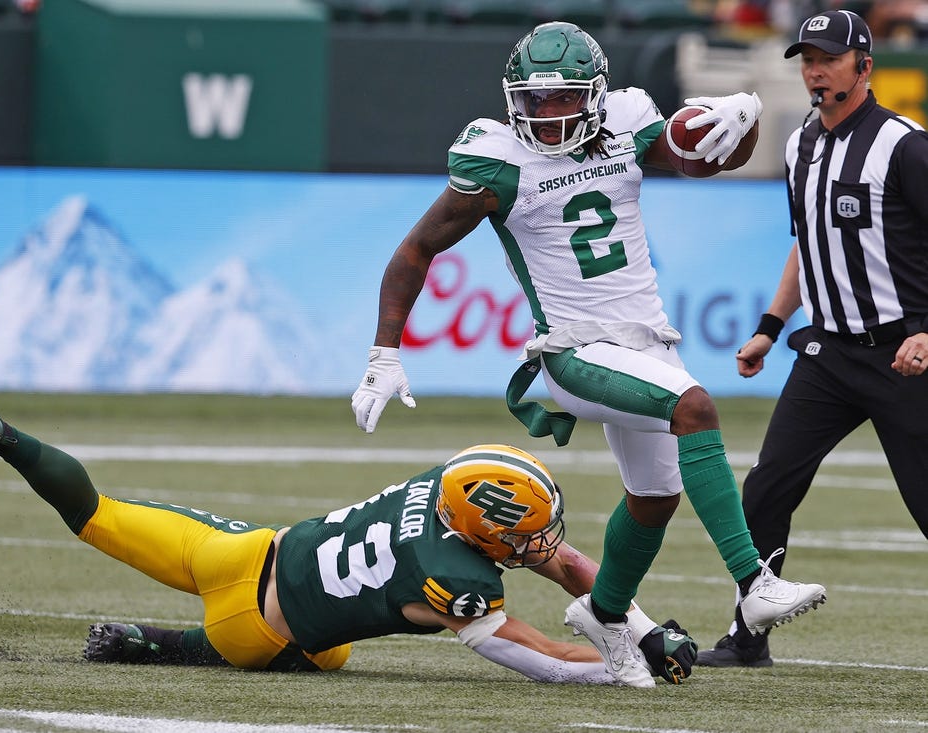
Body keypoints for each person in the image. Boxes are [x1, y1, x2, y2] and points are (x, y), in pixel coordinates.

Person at [349, 20, 828, 686]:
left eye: (563, 98)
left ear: (596, 95)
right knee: (695, 407)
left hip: (646, 342)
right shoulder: (497, 160)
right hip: (573, 349)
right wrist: (384, 351)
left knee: (655, 495)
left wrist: (740, 118)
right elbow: (416, 249)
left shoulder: (628, 123)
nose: (547, 115)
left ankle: (605, 613)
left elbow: (702, 160)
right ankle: (753, 581)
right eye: (534, 100)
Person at [0, 357, 700, 688]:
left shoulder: (445, 486)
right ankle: (155, 644)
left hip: (243, 546)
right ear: (480, 530)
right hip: (262, 628)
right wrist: (617, 664)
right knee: (332, 652)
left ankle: (4, 440)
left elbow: (560, 561)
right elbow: (542, 659)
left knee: (97, 512)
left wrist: (637, 624)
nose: (538, 546)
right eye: (519, 534)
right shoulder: (459, 577)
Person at [696, 8, 928, 668]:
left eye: (828, 58)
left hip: (902, 356)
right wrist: (770, 327)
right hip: (827, 354)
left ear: (866, 66)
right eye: (807, 59)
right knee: (765, 489)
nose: (815, 70)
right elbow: (809, 245)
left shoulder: (904, 145)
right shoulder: (802, 143)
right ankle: (749, 637)